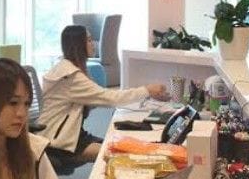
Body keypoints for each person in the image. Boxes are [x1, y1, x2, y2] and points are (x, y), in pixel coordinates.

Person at [37, 25, 169, 166]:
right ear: (77, 45)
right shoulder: (71, 77)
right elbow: (110, 98)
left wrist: (146, 94)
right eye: (88, 40)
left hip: (70, 136)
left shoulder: (70, 69)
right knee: (121, 154)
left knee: (122, 146)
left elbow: (97, 98)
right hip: (58, 144)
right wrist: (147, 90)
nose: (93, 44)